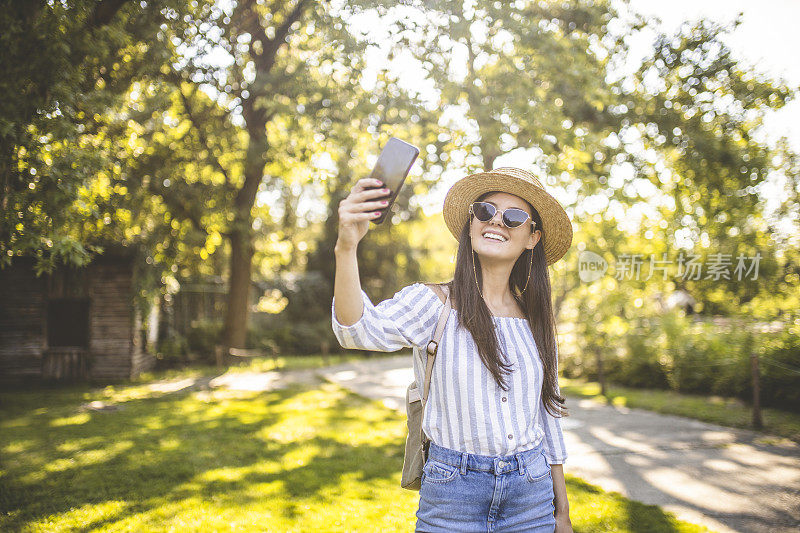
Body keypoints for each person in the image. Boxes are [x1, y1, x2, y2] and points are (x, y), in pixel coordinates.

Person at [331, 167, 573, 533]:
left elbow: (547, 420)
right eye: (485, 210)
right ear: (471, 222)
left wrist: (563, 514)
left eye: (514, 216)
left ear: (532, 237)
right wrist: (346, 247)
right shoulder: (433, 304)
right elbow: (358, 331)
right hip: (452, 495)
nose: (497, 221)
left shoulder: (536, 319)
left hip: (532, 497)